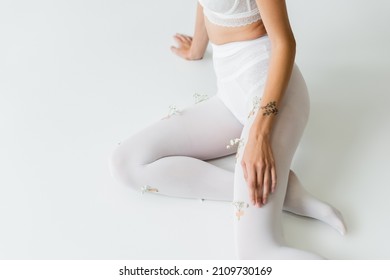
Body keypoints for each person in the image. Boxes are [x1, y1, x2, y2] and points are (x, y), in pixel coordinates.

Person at [110, 0, 346, 259]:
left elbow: (285, 43)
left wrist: (259, 133)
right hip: (230, 97)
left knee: (256, 254)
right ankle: (285, 191)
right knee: (126, 163)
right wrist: (196, 48)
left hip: (274, 97)